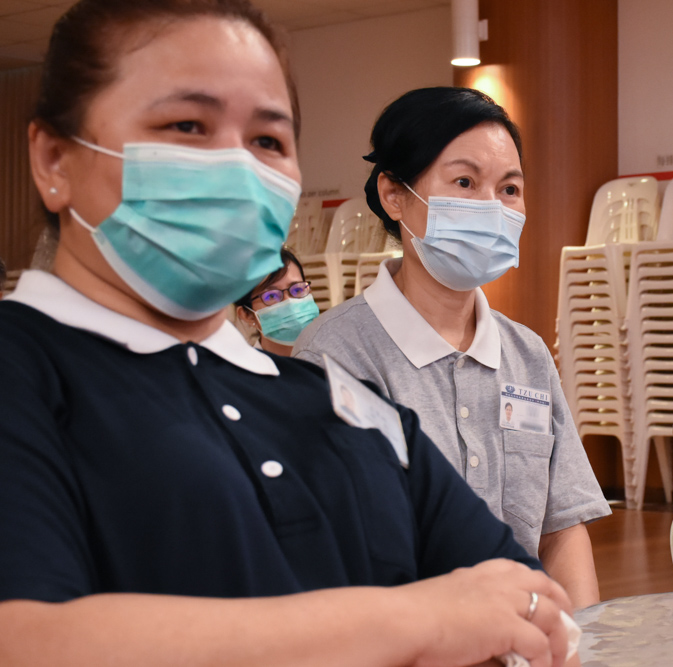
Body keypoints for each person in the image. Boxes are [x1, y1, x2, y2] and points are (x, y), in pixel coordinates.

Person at [0, 2, 579, 665]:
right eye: (186, 126)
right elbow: (24, 639)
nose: (238, 167)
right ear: (54, 159)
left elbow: (524, 606)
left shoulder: (337, 402)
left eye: (268, 141)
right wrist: (409, 620)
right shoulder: (26, 372)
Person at [294, 87, 610, 608]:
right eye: (464, 182)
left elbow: (562, 530)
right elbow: (337, 553)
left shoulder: (527, 353)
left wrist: (581, 639)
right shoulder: (335, 356)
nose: (492, 207)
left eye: (509, 189)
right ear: (394, 194)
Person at [235, 247, 318, 355]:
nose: (289, 302)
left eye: (297, 290)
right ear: (247, 315)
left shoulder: (332, 356)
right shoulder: (245, 366)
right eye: (271, 296)